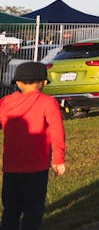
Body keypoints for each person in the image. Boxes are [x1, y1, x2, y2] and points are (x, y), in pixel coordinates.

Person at [0, 62, 66, 229]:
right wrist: (58, 159)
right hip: (36, 167)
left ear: (18, 83)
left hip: (11, 166)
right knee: (33, 210)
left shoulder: (5, 103)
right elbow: (57, 133)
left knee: (10, 210)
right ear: (43, 82)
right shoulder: (47, 102)